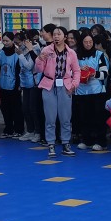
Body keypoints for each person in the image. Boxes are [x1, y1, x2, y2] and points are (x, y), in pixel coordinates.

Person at [34, 26, 80, 157]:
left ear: (64, 37)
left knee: (65, 118)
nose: (56, 36)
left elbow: (76, 70)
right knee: (50, 118)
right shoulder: (46, 50)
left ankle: (66, 143)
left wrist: (74, 84)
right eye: (54, 34)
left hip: (65, 85)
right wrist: (40, 59)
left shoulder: (71, 52)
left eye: (59, 34)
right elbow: (39, 69)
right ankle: (51, 144)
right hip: (49, 85)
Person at [73, 32, 108, 151]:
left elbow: (105, 73)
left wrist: (94, 73)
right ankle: (86, 140)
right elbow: (70, 72)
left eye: (90, 42)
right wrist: (79, 70)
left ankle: (101, 142)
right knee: (84, 117)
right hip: (82, 92)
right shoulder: (76, 55)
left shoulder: (99, 55)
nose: (88, 44)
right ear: (81, 43)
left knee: (98, 117)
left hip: (97, 91)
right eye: (85, 42)